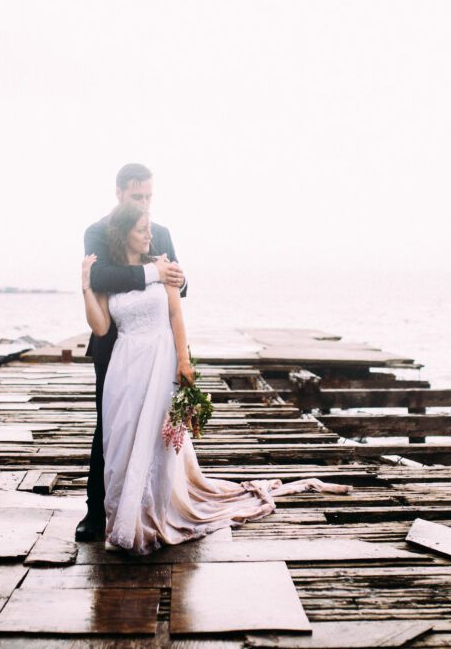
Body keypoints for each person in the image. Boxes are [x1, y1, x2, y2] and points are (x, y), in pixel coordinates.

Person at [81, 201, 351, 556]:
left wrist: (183, 361)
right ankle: (121, 518)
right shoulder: (110, 276)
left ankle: (152, 515)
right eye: (142, 229)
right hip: (123, 365)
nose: (151, 234)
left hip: (159, 361)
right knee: (119, 442)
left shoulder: (162, 267)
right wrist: (86, 286)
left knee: (158, 441)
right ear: (125, 233)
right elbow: (101, 327)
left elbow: (176, 316)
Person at [76, 163, 186, 542]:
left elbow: (179, 289)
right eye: (137, 196)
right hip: (114, 343)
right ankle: (97, 510)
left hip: (157, 350)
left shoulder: (161, 233)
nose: (144, 203)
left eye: (149, 196)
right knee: (110, 426)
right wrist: (155, 272)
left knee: (156, 425)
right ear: (119, 192)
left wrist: (178, 278)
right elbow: (103, 277)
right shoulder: (98, 232)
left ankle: (151, 506)